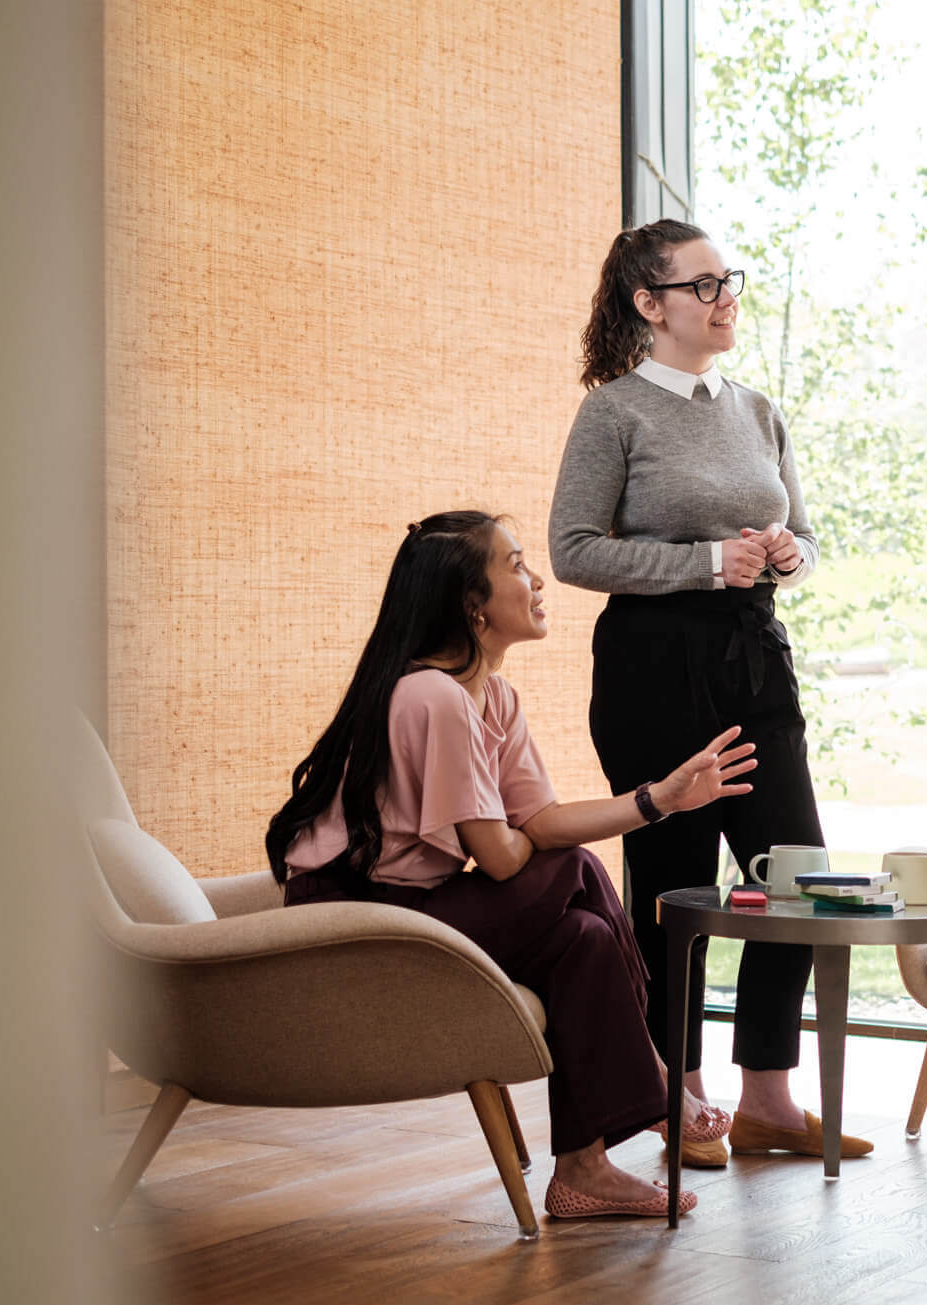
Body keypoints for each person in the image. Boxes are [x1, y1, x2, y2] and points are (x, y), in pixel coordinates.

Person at [269, 509, 757, 1220]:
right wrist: (528, 835)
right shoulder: (433, 695)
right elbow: (502, 856)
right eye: (517, 565)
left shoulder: (491, 694)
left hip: (413, 905)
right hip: (351, 921)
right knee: (577, 868)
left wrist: (660, 799)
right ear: (473, 606)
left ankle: (584, 1170)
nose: (535, 580)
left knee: (584, 937)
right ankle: (657, 1080)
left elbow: (540, 824)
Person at [549, 219, 870, 1168]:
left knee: (799, 876)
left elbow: (805, 537)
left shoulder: (760, 409)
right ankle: (674, 1096)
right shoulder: (613, 414)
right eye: (703, 285)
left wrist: (785, 555)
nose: (727, 296)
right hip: (653, 667)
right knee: (674, 887)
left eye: (728, 279)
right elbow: (573, 550)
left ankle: (769, 1098)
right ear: (650, 306)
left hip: (755, 656)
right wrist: (703, 562)